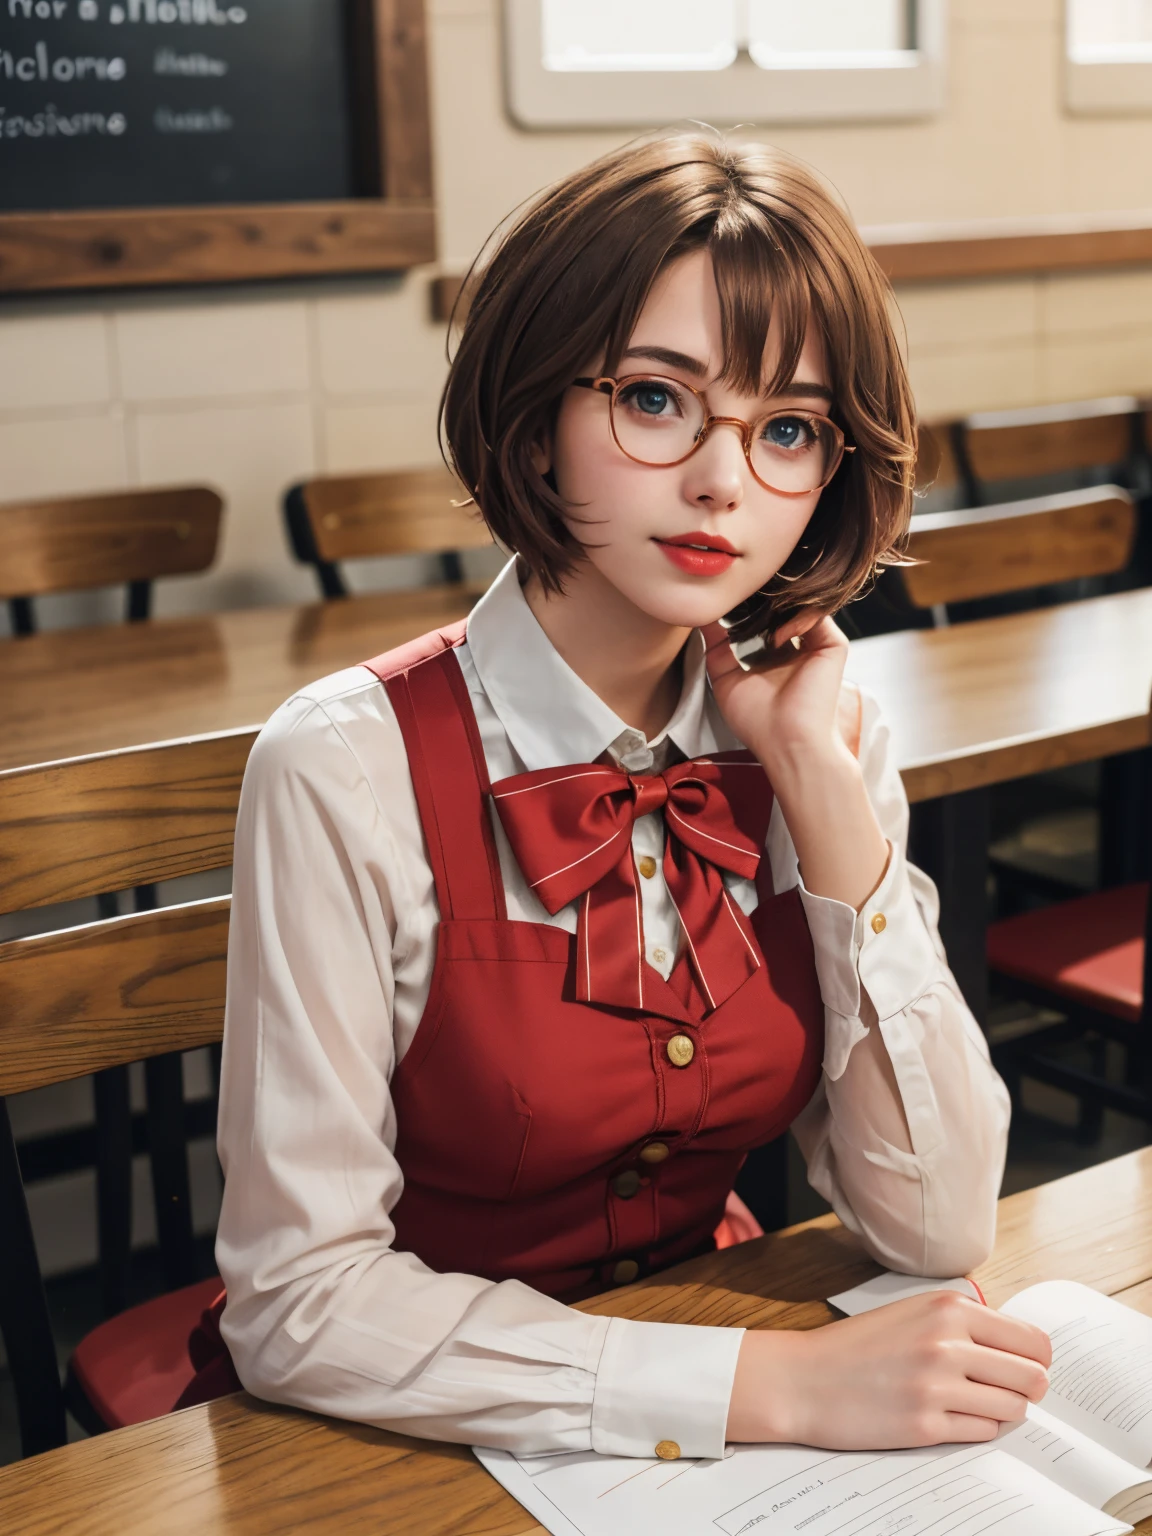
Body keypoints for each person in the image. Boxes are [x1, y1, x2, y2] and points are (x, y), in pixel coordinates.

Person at [212, 132, 1051, 1462]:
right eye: (656, 401)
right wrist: (766, 1390)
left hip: (709, 1400)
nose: (724, 481)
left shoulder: (817, 736)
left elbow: (939, 1227)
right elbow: (299, 1306)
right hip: (391, 1429)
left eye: (788, 430)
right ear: (538, 414)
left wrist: (827, 806)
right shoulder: (340, 765)